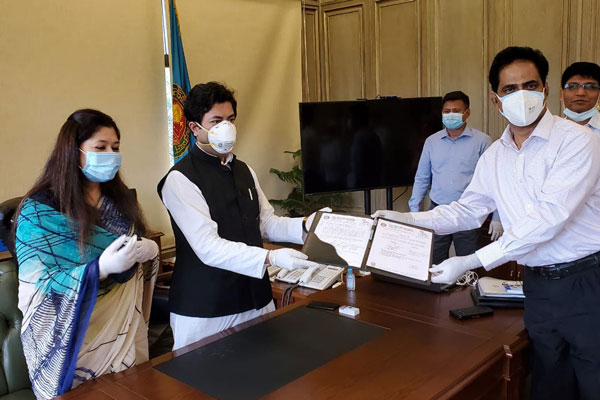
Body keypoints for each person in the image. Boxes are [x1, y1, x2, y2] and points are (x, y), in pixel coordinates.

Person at [374, 46, 600, 399]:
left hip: (585, 282)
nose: (521, 95)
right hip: (538, 286)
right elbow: (466, 210)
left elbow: (549, 217)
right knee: (548, 380)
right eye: (510, 89)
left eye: (530, 85)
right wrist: (408, 218)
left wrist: (471, 260)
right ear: (496, 100)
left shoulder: (577, 141)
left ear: (545, 90)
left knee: (593, 378)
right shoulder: (495, 155)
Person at [157, 82, 321, 350]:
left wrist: (307, 226)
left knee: (265, 369)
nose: (227, 127)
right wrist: (271, 257)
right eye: (216, 121)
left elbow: (266, 223)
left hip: (255, 298)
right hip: (206, 308)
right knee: (204, 376)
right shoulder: (180, 179)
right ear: (195, 128)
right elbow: (208, 247)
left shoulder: (244, 170)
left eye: (231, 119)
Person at [13, 109, 159, 399]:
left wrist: (150, 249)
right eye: (100, 147)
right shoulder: (38, 212)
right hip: (77, 345)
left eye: (115, 147)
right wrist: (99, 269)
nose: (111, 155)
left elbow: (134, 249)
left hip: (123, 332)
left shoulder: (118, 201)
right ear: (73, 151)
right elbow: (38, 286)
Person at [409, 91, 502, 264]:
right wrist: (414, 211)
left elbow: (494, 181)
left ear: (467, 113)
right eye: (447, 111)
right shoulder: (432, 142)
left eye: (456, 111)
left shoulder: (482, 141)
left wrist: (497, 217)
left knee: (467, 265)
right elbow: (422, 177)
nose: (451, 115)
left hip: (468, 212)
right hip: (437, 210)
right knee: (433, 264)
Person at [560, 61, 600, 135]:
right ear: (561, 94)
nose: (580, 93)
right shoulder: (551, 131)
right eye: (572, 86)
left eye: (590, 87)